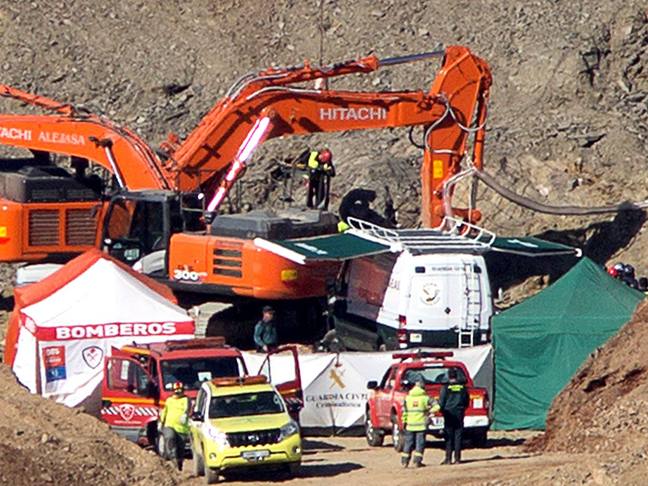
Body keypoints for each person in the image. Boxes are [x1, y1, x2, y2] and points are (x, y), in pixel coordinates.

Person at [439, 368, 469, 465]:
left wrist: (441, 410)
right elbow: (466, 400)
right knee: (458, 435)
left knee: (449, 436)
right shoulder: (462, 387)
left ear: (449, 376)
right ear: (456, 376)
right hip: (459, 412)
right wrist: (462, 408)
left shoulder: (446, 387)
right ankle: (457, 458)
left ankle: (448, 459)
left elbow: (442, 401)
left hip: (448, 413)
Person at [159, 381, 191, 471]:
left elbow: (188, 408)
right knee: (170, 437)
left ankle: (179, 464)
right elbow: (165, 411)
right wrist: (161, 422)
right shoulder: (169, 400)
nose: (178, 393)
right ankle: (174, 460)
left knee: (180, 448)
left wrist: (185, 415)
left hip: (181, 428)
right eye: (176, 391)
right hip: (169, 425)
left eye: (180, 391)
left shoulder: (186, 399)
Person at [400, 378, 431, 468]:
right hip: (421, 425)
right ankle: (417, 462)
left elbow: (404, 411)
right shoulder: (425, 398)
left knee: (408, 443)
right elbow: (436, 406)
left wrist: (404, 422)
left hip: (410, 425)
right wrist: (428, 412)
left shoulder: (408, 398)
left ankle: (404, 462)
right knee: (419, 443)